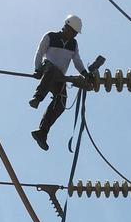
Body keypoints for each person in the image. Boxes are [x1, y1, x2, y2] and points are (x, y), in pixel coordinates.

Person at [29, 14, 90, 151]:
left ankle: (42, 132)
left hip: (59, 78)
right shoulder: (50, 37)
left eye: (75, 34)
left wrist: (85, 73)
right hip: (48, 69)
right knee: (51, 70)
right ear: (66, 27)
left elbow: (77, 61)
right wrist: (37, 69)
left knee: (61, 103)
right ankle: (37, 98)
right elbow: (39, 53)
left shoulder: (73, 44)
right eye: (73, 32)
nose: (74, 35)